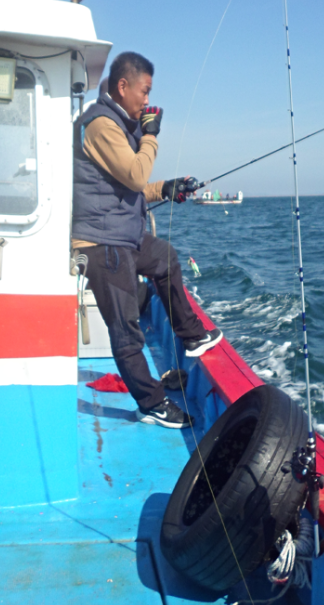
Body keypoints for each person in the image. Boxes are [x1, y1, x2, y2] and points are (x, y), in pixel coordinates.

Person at [71, 51, 223, 429]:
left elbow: (133, 187)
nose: (147, 100)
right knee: (126, 331)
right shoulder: (100, 125)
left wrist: (168, 188)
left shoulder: (119, 126)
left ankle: (191, 336)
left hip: (123, 236)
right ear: (123, 87)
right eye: (144, 91)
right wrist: (151, 135)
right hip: (101, 243)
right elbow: (137, 175)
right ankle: (151, 404)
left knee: (165, 257)